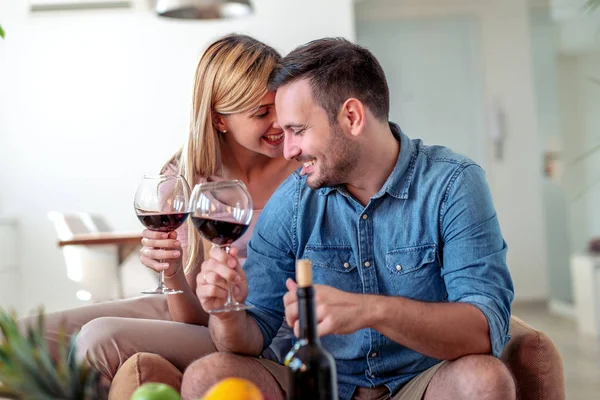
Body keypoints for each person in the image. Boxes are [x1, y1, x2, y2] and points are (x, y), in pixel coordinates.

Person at [181, 37, 516, 400]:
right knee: (207, 376)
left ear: (352, 117)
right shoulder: (293, 201)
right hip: (317, 388)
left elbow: (484, 329)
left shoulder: (453, 185)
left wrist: (370, 311)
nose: (288, 150)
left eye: (297, 130)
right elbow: (254, 333)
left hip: (420, 384)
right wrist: (226, 314)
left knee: (485, 379)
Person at [16, 34, 297, 385]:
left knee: (97, 339)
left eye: (281, 107)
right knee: (17, 337)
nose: (279, 124)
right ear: (219, 119)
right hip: (190, 310)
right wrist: (172, 270)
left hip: (255, 328)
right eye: (261, 113)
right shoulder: (184, 176)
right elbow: (189, 313)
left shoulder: (304, 169)